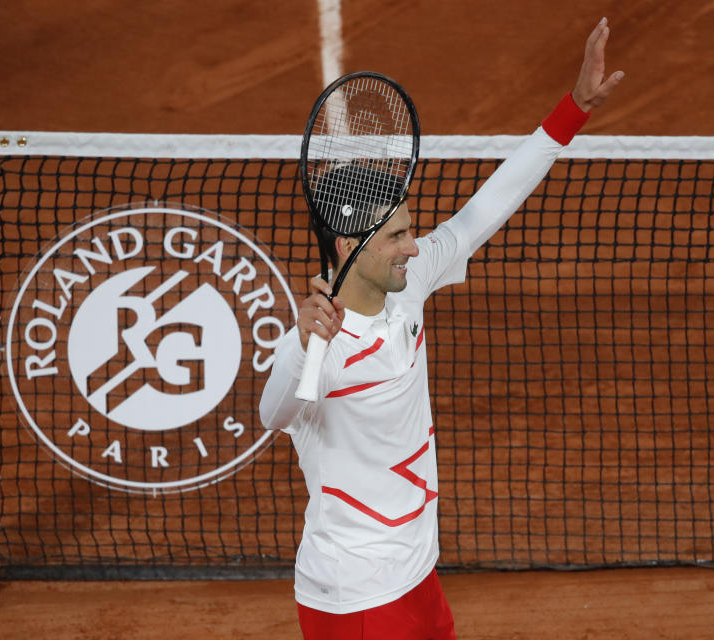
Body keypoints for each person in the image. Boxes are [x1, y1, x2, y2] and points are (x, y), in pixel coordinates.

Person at [260, 18, 624, 640]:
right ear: (351, 245)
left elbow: (486, 207)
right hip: (356, 595)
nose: (413, 246)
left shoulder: (410, 282)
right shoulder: (320, 340)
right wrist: (302, 345)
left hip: (415, 572)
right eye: (398, 235)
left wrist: (575, 109)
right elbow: (273, 414)